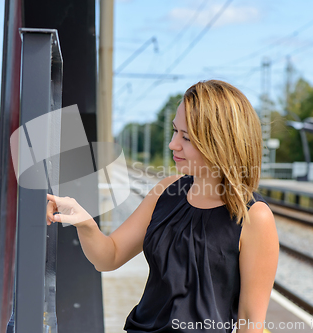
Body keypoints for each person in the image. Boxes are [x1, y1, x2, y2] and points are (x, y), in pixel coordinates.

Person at [46, 80, 279, 333]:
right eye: (174, 131)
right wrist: (84, 222)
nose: (173, 144)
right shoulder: (166, 191)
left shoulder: (255, 217)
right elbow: (108, 257)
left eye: (186, 137)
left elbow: (250, 322)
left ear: (220, 142)